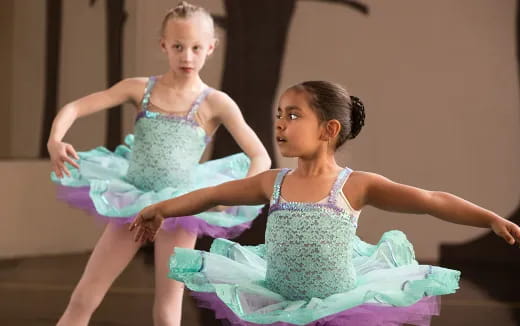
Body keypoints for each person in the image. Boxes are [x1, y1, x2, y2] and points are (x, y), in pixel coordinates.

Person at [131, 80, 520, 326]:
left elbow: (430, 200)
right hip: (278, 300)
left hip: (337, 307)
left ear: (328, 130)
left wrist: (488, 218)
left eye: (294, 115)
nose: (280, 123)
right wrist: (162, 208)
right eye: (279, 114)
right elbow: (212, 194)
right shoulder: (273, 183)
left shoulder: (356, 185)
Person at [48, 2, 270, 325]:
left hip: (180, 210)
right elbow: (73, 108)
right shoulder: (140, 88)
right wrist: (55, 139)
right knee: (84, 297)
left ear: (211, 47)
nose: (187, 56)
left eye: (196, 48)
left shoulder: (215, 103)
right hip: (133, 200)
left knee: (168, 311)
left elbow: (260, 155)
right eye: (178, 47)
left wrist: (233, 195)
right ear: (163, 44)